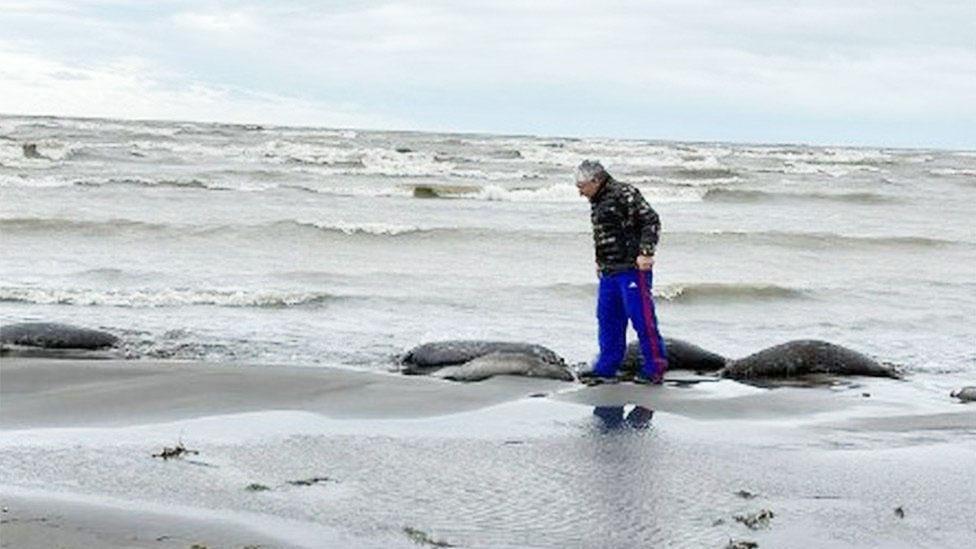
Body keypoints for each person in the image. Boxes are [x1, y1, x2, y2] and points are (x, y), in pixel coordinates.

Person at [575, 160, 668, 385]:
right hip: (609, 270)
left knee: (641, 318)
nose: (580, 192)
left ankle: (654, 367)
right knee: (608, 318)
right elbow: (604, 235)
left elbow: (651, 220)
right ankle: (607, 367)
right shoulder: (596, 200)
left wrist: (646, 253)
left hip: (632, 269)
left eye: (582, 186)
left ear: (596, 180)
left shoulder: (624, 193)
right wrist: (600, 261)